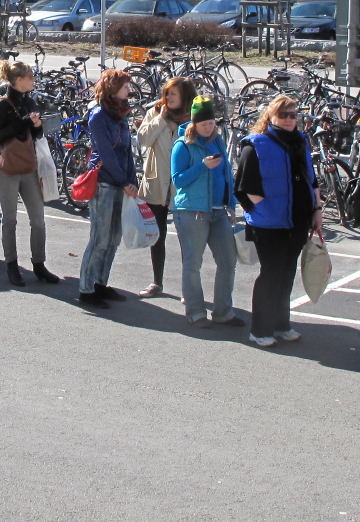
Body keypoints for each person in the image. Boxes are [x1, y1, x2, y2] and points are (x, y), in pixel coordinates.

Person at [235, 95, 320, 345]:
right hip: (268, 224)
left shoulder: (301, 142)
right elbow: (244, 188)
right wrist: (268, 209)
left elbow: (311, 179)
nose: (290, 120)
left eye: (294, 115)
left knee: (287, 273)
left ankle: (282, 324)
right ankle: (260, 330)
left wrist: (316, 209)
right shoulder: (256, 145)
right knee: (271, 274)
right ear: (271, 117)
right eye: (284, 115)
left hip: (297, 220)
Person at [172, 96, 241, 328]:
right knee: (193, 263)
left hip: (218, 211)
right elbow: (178, 180)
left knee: (228, 260)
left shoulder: (218, 141)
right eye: (204, 124)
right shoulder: (183, 145)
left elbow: (227, 174)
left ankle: (223, 311)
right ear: (194, 124)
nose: (209, 127)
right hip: (192, 212)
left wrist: (231, 203)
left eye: (212, 123)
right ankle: (195, 311)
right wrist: (202, 166)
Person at [0, 60, 57, 286]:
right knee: (9, 219)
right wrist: (23, 123)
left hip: (28, 166)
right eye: (30, 77)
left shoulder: (29, 101)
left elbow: (35, 135)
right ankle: (12, 265)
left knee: (38, 219)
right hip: (7, 168)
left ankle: (39, 264)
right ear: (19, 80)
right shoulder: (1, 105)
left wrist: (36, 126)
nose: (33, 80)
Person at [78, 69, 139, 308]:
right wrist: (124, 182)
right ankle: (86, 287)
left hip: (121, 180)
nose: (129, 90)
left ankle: (101, 282)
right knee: (100, 238)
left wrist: (131, 180)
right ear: (112, 87)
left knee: (114, 237)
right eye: (125, 86)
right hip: (105, 181)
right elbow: (106, 152)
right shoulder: (98, 116)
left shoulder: (122, 113)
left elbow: (127, 151)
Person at [137, 77, 194, 299]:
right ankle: (156, 282)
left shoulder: (194, 117)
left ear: (185, 96)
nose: (168, 98)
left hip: (183, 184)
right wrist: (160, 120)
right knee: (157, 234)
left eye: (174, 94)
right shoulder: (156, 112)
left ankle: (188, 288)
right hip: (158, 181)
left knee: (186, 238)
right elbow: (143, 139)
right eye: (167, 93)